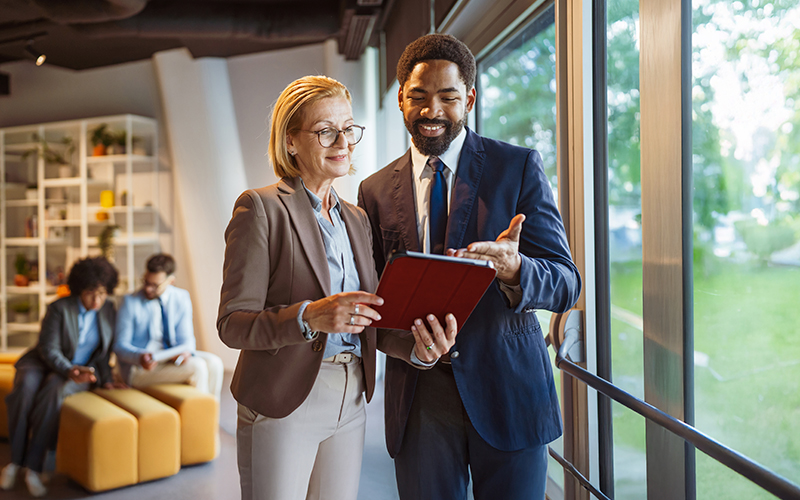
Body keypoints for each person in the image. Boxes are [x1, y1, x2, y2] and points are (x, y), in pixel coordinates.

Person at [358, 34, 582, 500]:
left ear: (470, 99)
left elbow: (566, 283)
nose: (431, 110)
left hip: (509, 389)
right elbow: (374, 301)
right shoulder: (374, 191)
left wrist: (516, 269)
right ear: (401, 98)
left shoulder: (517, 167)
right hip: (419, 398)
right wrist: (411, 347)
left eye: (448, 97)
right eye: (418, 96)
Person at [217, 75, 457, 500]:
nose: (342, 141)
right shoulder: (260, 208)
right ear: (291, 142)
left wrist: (419, 350)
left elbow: (368, 320)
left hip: (351, 397)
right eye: (326, 130)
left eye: (348, 128)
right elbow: (233, 324)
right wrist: (309, 316)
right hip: (283, 399)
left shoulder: (356, 218)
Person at [1, 256, 121, 498]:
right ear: (79, 290)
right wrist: (69, 370)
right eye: (90, 293)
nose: (96, 300)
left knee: (54, 392)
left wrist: (106, 378)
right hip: (43, 364)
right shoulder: (59, 308)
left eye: (101, 293)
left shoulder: (108, 309)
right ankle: (15, 462)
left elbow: (103, 353)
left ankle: (33, 467)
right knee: (25, 389)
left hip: (75, 372)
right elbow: (48, 348)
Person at [114, 253, 224, 400]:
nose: (148, 289)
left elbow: (187, 340)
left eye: (155, 285)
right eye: (146, 282)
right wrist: (139, 357)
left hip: (168, 358)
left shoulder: (181, 297)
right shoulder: (130, 302)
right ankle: (201, 420)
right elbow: (119, 346)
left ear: (171, 281)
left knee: (215, 363)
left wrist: (186, 353)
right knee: (198, 367)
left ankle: (210, 420)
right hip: (139, 368)